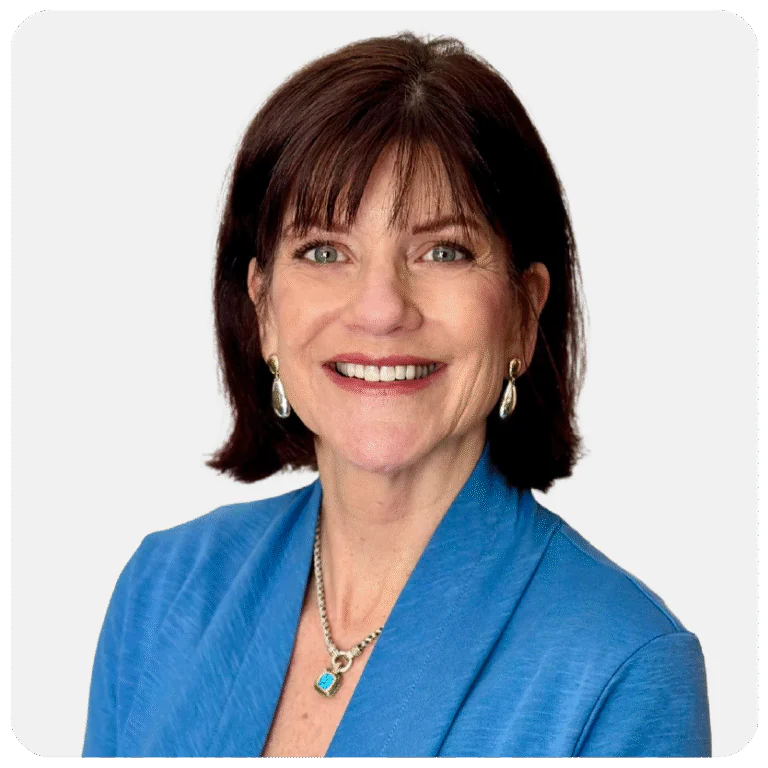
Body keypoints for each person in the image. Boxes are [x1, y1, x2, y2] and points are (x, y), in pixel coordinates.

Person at [81, 32, 712, 758]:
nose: (380, 310)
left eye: (443, 251)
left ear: (524, 312)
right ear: (263, 309)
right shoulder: (162, 593)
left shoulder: (624, 667)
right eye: (324, 251)